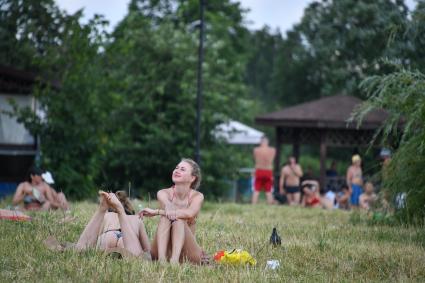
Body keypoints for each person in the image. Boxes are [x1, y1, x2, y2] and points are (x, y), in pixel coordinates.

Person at [46, 190, 151, 258]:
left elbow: (89, 239)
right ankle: (120, 212)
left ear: (109, 209)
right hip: (128, 240)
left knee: (80, 251)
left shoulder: (107, 216)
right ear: (129, 209)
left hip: (109, 235)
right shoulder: (136, 219)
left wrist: (102, 210)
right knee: (139, 257)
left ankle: (102, 208)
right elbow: (148, 250)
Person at [141, 158, 206, 264]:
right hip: (163, 250)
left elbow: (189, 213)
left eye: (182, 169)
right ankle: (161, 261)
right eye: (176, 168)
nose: (177, 170)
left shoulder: (197, 196)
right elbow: (168, 208)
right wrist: (165, 209)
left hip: (186, 253)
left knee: (178, 219)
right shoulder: (163, 193)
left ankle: (174, 261)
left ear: (192, 178)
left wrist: (156, 211)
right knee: (167, 217)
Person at [251, 136, 276, 205]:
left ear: (260, 142)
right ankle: (270, 206)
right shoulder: (272, 150)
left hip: (259, 170)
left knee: (256, 189)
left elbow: (255, 159)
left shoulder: (256, 150)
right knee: (268, 190)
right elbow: (272, 159)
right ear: (267, 142)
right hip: (268, 170)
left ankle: (253, 205)